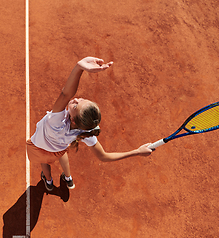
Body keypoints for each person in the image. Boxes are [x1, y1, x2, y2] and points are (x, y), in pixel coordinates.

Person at [26, 57, 153, 191]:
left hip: (37, 148)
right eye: (81, 100)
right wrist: (137, 152)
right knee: (63, 152)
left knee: (43, 161)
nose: (75, 100)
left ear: (73, 120)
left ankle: (49, 181)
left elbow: (65, 94)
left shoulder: (56, 122)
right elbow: (104, 156)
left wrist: (79, 67)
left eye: (75, 106)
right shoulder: (86, 132)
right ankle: (68, 178)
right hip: (57, 151)